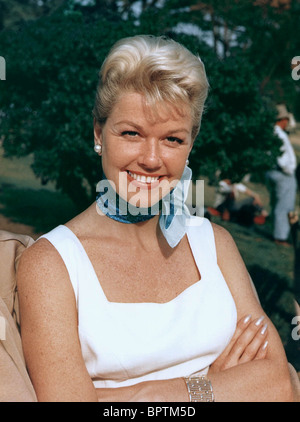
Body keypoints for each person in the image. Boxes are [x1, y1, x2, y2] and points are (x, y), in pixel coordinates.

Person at [16, 35, 294, 402]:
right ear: (99, 134)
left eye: (172, 140)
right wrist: (215, 383)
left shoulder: (215, 243)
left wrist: (138, 393)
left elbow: (280, 384)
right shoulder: (52, 263)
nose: (151, 159)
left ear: (191, 144)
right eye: (131, 133)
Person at [266, 104, 297, 246]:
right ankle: (280, 237)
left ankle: (276, 232)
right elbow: (283, 159)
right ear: (282, 120)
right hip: (282, 174)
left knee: (276, 203)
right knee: (284, 205)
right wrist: (289, 170)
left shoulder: (271, 132)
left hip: (272, 172)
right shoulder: (279, 135)